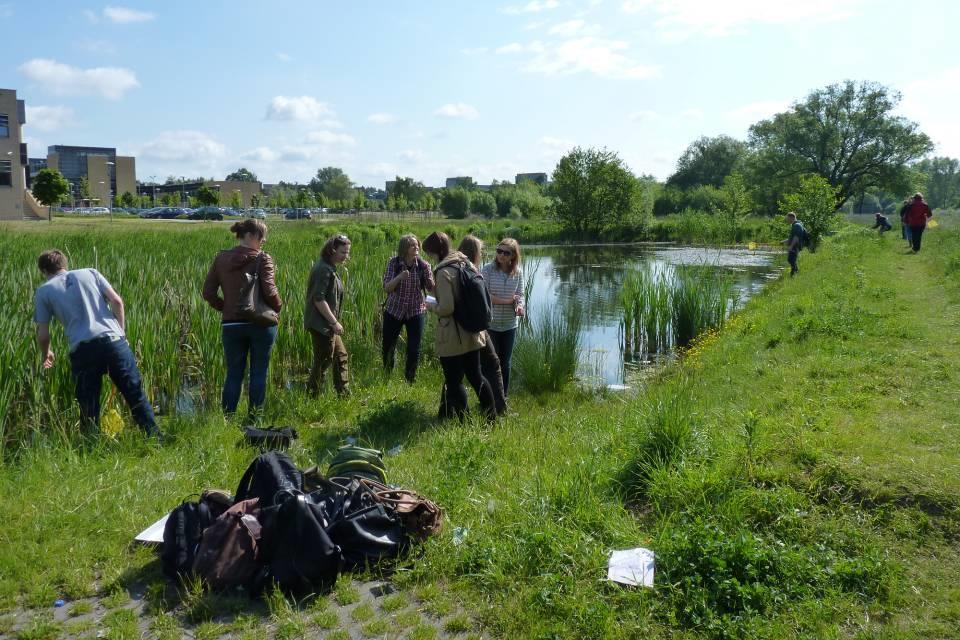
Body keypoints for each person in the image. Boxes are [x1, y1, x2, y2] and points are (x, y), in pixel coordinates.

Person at [33, 249, 162, 440]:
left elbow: (43, 335)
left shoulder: (43, 292)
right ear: (64, 264)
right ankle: (155, 440)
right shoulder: (90, 272)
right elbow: (117, 302)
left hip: (83, 349)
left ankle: (91, 446)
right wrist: (121, 332)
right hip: (114, 342)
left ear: (44, 270)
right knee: (135, 394)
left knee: (88, 404)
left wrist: (47, 353)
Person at [202, 219, 283, 420]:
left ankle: (227, 419)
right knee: (258, 372)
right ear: (250, 236)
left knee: (234, 373)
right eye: (261, 236)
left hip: (232, 324)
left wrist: (225, 308)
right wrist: (278, 307)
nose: (264, 240)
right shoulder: (263, 259)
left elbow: (208, 292)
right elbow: (270, 291)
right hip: (260, 323)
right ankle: (255, 419)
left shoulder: (221, 258)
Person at [422, 231, 495, 420]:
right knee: (476, 376)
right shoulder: (465, 262)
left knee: (454, 382)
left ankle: (465, 423)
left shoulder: (444, 271)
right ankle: (491, 417)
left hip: (454, 336)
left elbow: (446, 307)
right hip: (473, 332)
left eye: (429, 253)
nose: (429, 257)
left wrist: (431, 306)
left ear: (436, 251)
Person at [458, 235, 508, 416]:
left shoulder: (455, 269)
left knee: (456, 369)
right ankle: (497, 409)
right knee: (492, 364)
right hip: (476, 328)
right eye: (480, 251)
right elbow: (482, 307)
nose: (482, 254)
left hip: (459, 327)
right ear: (474, 253)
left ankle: (449, 410)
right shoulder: (472, 271)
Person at [381, 234, 434, 383]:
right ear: (404, 248)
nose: (416, 247)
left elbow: (431, 289)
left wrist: (431, 280)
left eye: (417, 245)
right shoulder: (394, 263)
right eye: (412, 245)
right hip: (394, 310)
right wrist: (399, 277)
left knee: (413, 348)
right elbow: (387, 288)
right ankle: (387, 376)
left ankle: (410, 380)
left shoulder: (424, 266)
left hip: (415, 310)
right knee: (388, 346)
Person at [305, 233, 352, 396]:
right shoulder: (323, 269)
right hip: (321, 324)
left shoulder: (330, 267)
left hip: (327, 324)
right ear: (332, 250)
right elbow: (318, 300)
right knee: (323, 360)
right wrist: (334, 322)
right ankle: (312, 397)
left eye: (348, 252)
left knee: (341, 356)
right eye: (343, 252)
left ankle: (343, 394)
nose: (346, 256)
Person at [481, 238, 525, 396]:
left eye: (506, 253)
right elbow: (485, 296)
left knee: (505, 364)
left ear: (513, 256)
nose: (501, 255)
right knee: (492, 363)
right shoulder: (487, 269)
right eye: (499, 251)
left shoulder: (518, 272)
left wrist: (520, 306)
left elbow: (520, 295)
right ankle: (489, 398)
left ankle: (503, 398)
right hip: (491, 324)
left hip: (510, 325)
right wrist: (508, 301)